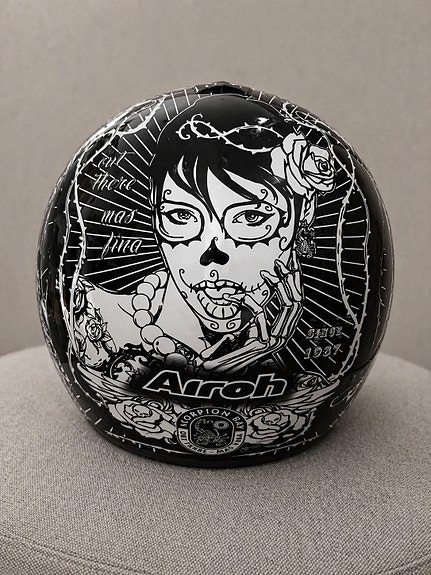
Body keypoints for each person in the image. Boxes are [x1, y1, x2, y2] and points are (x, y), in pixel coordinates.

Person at [71, 94, 335, 377]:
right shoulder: (97, 321)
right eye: (181, 216)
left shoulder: (292, 376)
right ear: (155, 215)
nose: (213, 254)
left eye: (251, 217)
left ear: (303, 214)